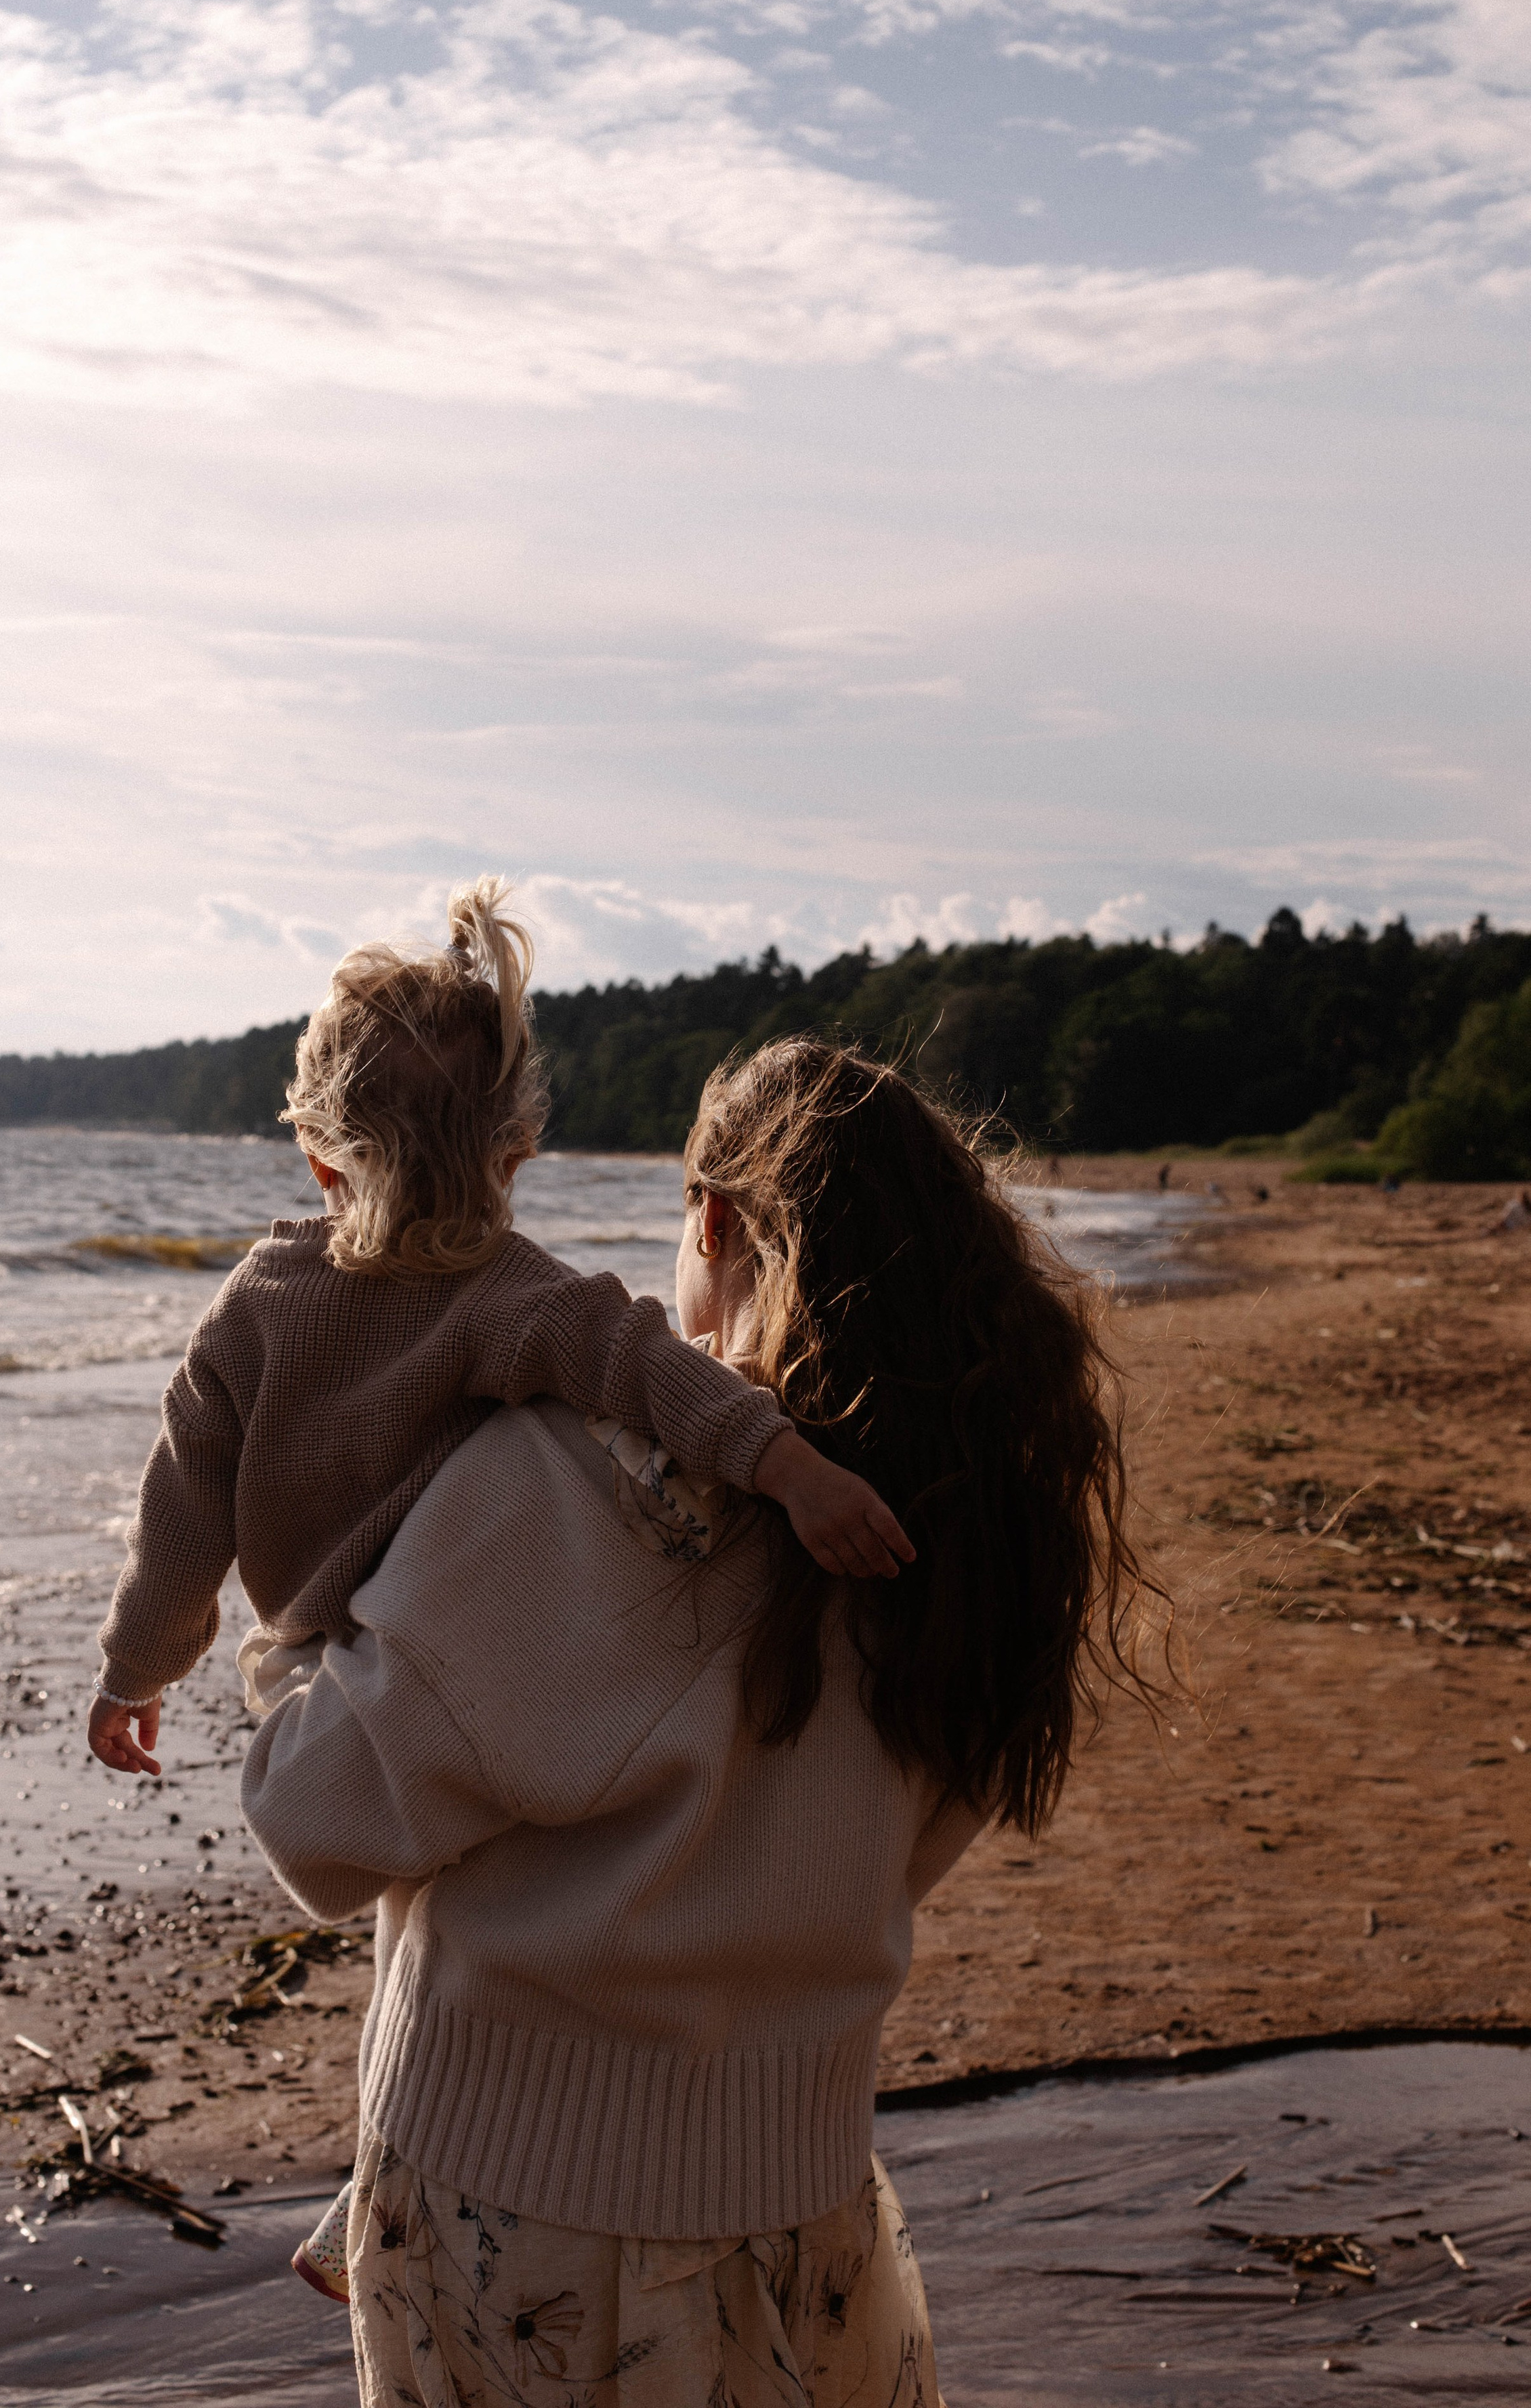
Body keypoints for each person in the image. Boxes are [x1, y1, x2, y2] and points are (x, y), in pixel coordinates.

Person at [243, 1038, 1156, 2406]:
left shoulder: (570, 1479)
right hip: (806, 2201)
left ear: (714, 1223)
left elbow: (313, 1823)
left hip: (520, 2205)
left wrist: (293, 1635)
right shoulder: (975, 1525)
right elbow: (887, 1858)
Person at [86, 884, 907, 1779]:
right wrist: (795, 1472)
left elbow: (182, 1507)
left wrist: (135, 1670)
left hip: (313, 1671)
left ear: (318, 1156)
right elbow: (654, 1367)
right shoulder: (513, 1291)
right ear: (514, 1153)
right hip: (476, 1655)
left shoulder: (255, 1302)